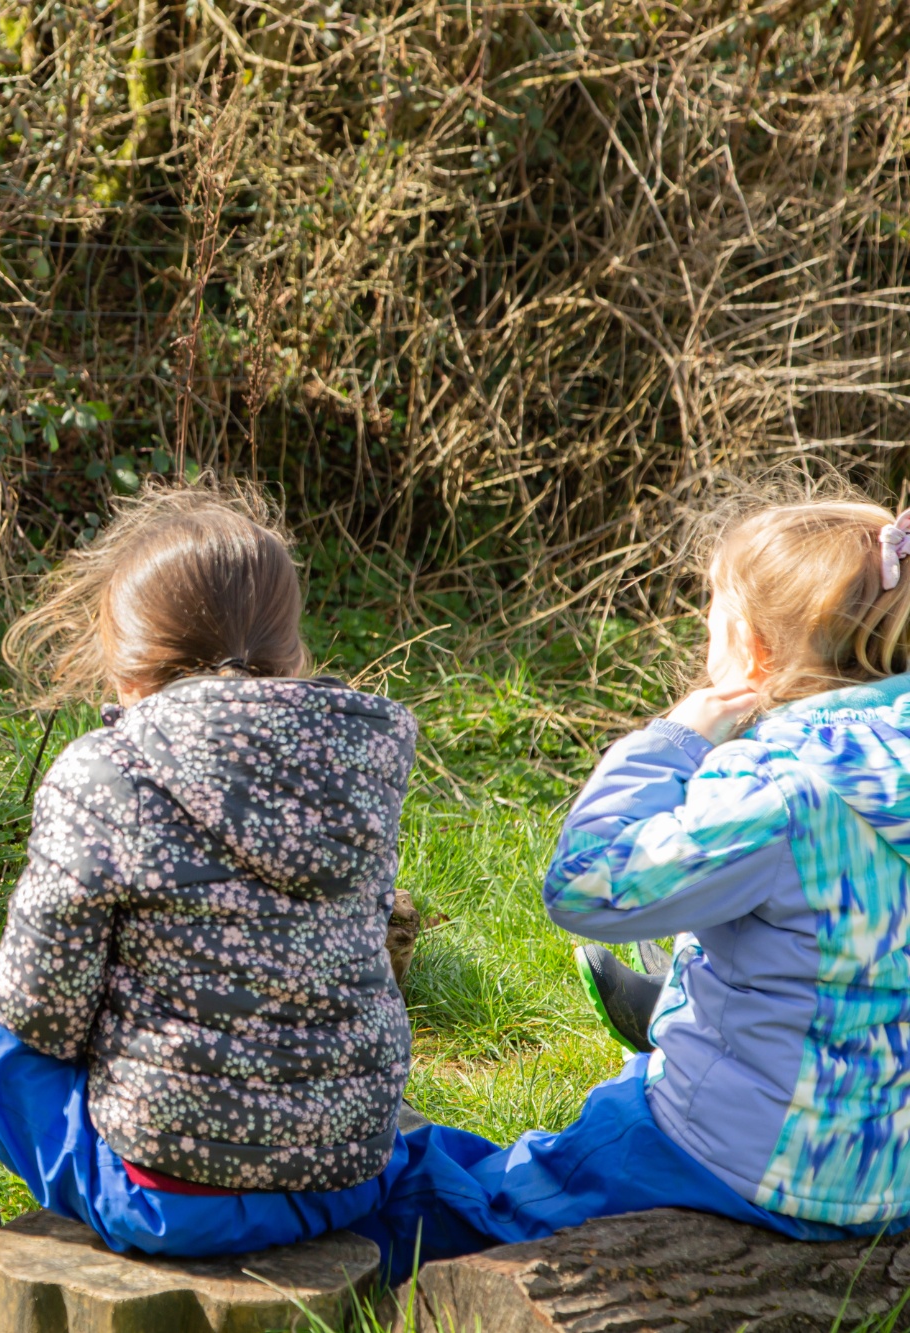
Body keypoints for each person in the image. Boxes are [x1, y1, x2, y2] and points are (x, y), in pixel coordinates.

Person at [0, 483, 419, 1333]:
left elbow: (40, 1019)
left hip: (165, 1197)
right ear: (291, 645)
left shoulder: (106, 769)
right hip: (345, 1173)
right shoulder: (362, 756)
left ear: (129, 654)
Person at [355, 495, 910, 1277]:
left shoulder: (777, 789)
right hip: (889, 1166)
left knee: (484, 1194)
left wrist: (671, 740)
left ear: (752, 653)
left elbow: (586, 888)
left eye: (711, 619)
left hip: (760, 1161)